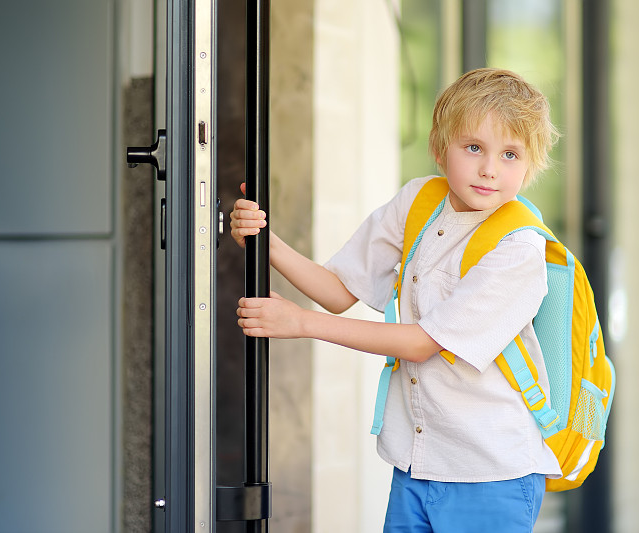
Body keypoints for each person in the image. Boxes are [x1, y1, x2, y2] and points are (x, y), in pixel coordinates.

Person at [230, 68, 562, 532]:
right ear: (440, 147)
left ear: (530, 166)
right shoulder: (419, 202)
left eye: (510, 154)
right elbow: (339, 291)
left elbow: (424, 343)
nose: (489, 168)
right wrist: (266, 244)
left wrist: (299, 323)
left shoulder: (518, 248)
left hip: (490, 473)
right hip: (415, 464)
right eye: (474, 147)